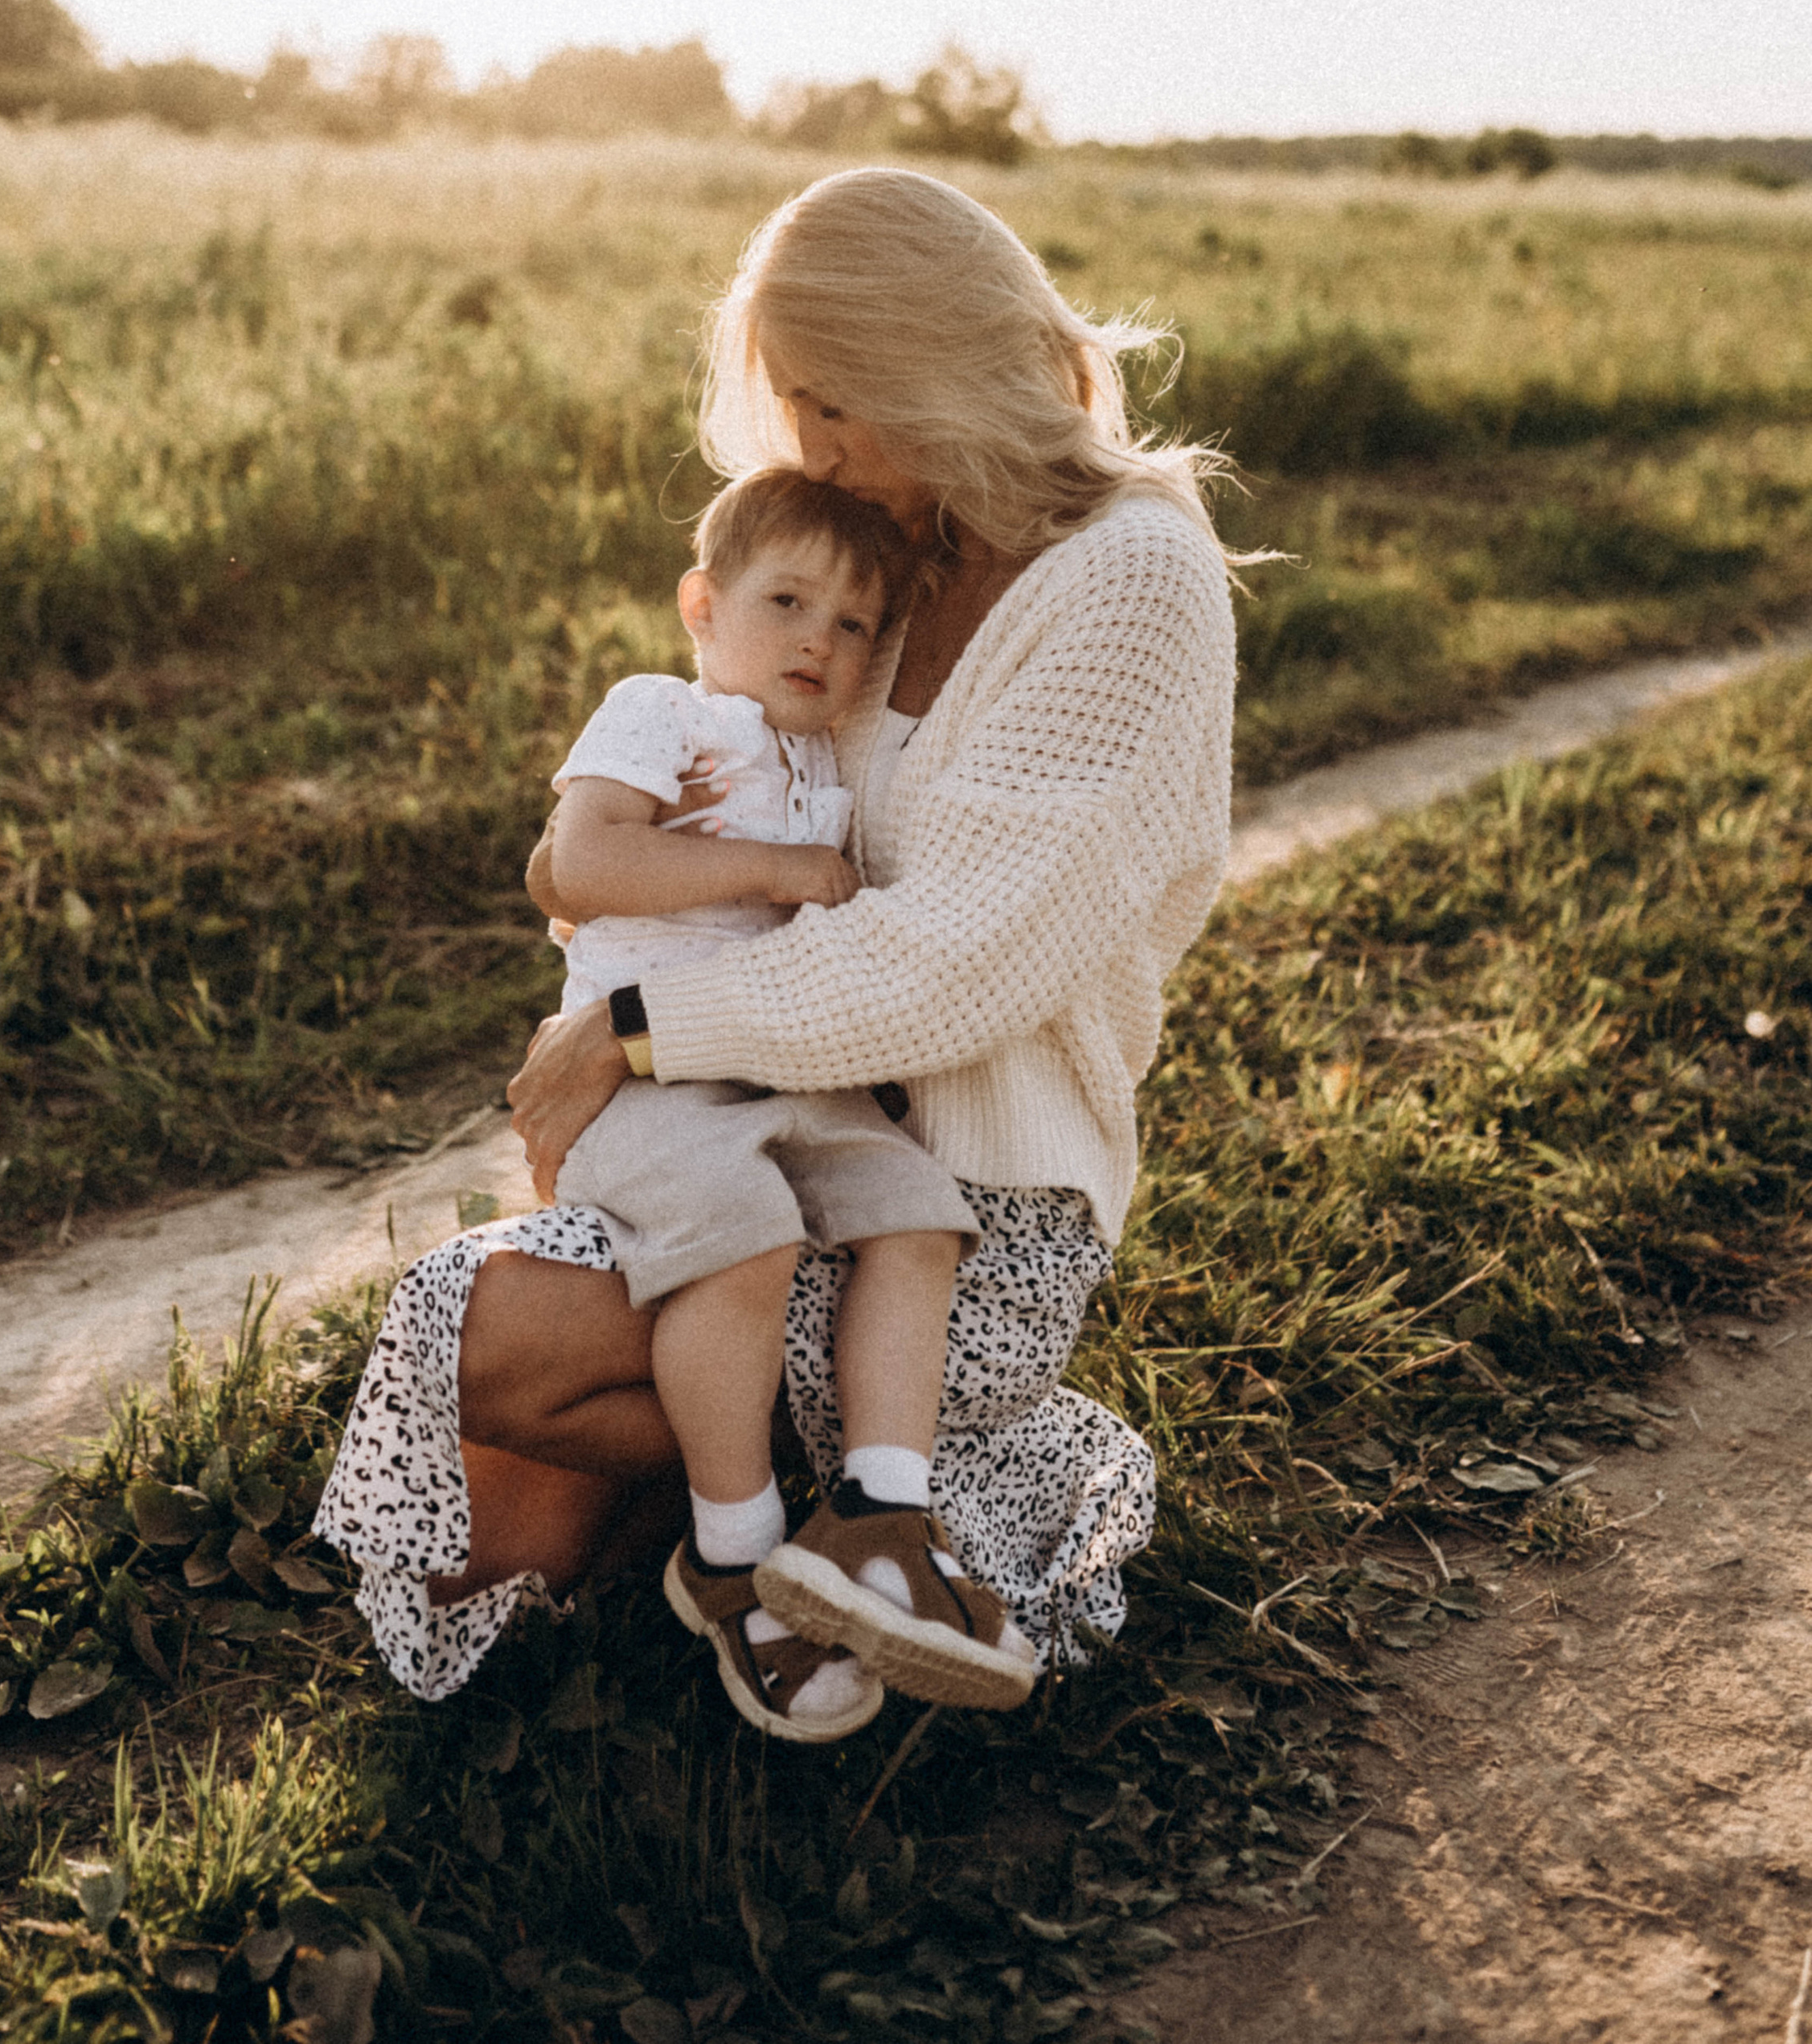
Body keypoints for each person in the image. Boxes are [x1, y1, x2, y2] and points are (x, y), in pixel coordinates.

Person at [314, 166, 1235, 1720]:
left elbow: (951, 963)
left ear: (935, 363)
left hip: (966, 1211)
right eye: (797, 410)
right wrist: (591, 861)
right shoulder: (891, 556)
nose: (814, 452)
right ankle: (788, 1521)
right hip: (772, 1124)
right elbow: (697, 789)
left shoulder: (1130, 576)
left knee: (519, 1344)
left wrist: (639, 1033)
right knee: (474, 1367)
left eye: (839, 407)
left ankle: (887, 1501)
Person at [542, 462, 1035, 1739]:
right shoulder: (661, 710)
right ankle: (732, 1548)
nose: (820, 637)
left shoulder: (829, 758)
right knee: (747, 1239)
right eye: (787, 601)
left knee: (919, 1218)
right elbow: (581, 862)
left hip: (790, 1073)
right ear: (703, 604)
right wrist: (777, 867)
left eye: (856, 624)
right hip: (651, 1087)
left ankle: (878, 1513)